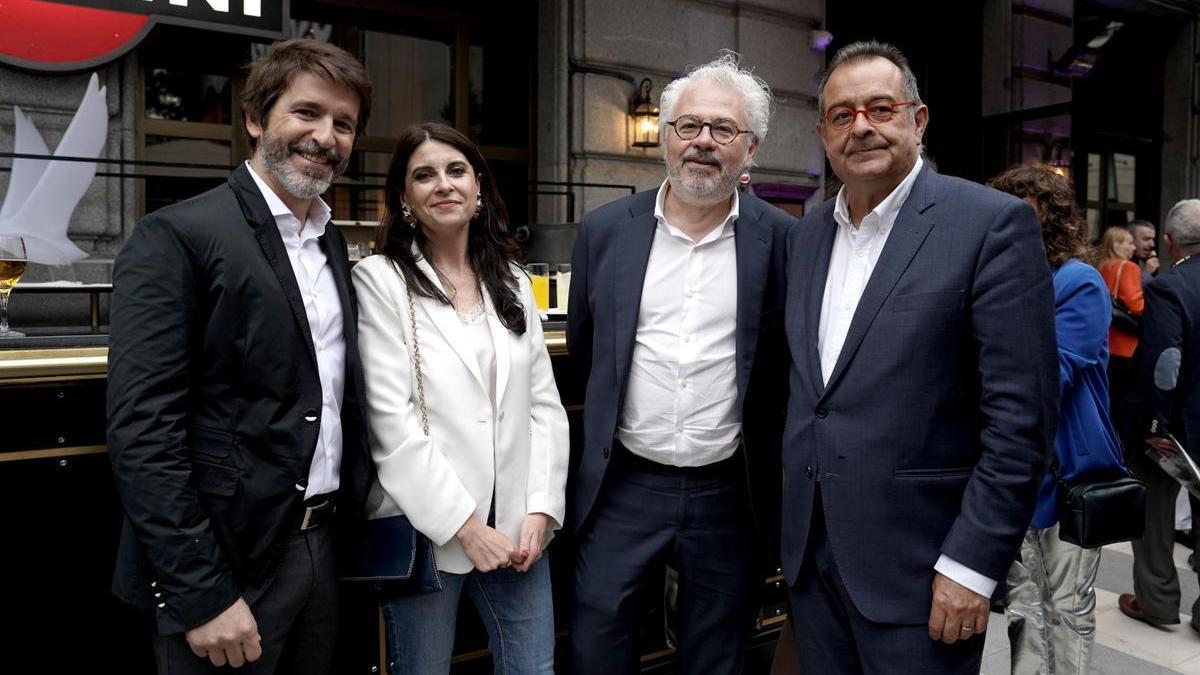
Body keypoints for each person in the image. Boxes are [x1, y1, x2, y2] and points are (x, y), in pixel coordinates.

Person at [782, 41, 1058, 673]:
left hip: (925, 573)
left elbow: (1021, 422)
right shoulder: (806, 238)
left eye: (881, 108)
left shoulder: (991, 225)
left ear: (919, 119)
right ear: (823, 132)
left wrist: (971, 565)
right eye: (842, 115)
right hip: (813, 562)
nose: (862, 127)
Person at [106, 39, 374, 673]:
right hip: (226, 566)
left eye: (343, 124)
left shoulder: (330, 243)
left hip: (322, 550)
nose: (325, 136)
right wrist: (202, 596)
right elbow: (143, 431)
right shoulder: (175, 236)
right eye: (306, 113)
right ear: (256, 119)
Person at [567, 51, 793, 674]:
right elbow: (588, 355)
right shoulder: (607, 229)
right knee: (596, 645)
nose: (703, 143)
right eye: (688, 127)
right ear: (665, 138)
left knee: (715, 657)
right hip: (624, 485)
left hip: (730, 492)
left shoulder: (783, 241)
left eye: (723, 130)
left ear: (751, 150)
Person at [352, 122, 569, 673]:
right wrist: (467, 528)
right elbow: (391, 424)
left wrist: (542, 508)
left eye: (456, 171)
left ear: (478, 189)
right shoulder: (381, 281)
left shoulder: (514, 280)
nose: (443, 185)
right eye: (424, 175)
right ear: (404, 198)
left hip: (519, 532)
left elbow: (543, 404)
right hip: (431, 529)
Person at [989, 165, 1128, 675]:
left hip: (1067, 470)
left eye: (1027, 204)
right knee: (1025, 599)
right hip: (1014, 469)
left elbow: (1051, 374)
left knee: (1067, 606)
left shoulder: (1078, 280)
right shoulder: (1004, 278)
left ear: (1053, 215)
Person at [1118, 199, 1200, 631]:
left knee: (1153, 512)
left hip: (1178, 427)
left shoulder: (1170, 286)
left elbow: (1164, 363)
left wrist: (1154, 426)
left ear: (1169, 243)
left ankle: (1158, 601)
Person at [1097, 226, 1144, 435]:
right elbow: (1136, 305)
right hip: (1125, 345)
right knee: (1122, 403)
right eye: (1129, 242)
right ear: (1117, 244)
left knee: (1106, 399)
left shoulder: (1101, 266)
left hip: (1105, 341)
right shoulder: (1129, 267)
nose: (1133, 247)